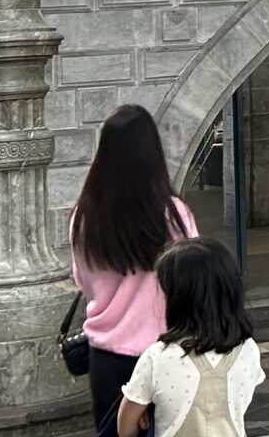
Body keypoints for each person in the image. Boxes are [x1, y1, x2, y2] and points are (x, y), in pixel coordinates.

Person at [73, 106, 199, 437]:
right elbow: (191, 280)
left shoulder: (85, 218)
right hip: (166, 351)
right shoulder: (174, 215)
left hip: (108, 354)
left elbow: (84, 282)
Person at [117, 237, 262, 437]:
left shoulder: (158, 358)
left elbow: (125, 428)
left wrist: (148, 410)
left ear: (178, 300)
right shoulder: (248, 349)